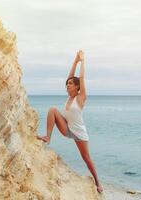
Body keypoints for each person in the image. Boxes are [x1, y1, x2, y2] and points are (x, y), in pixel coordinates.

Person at [36, 50, 103, 193]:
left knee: (86, 159)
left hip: (80, 134)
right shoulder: (69, 97)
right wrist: (75, 60)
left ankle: (98, 182)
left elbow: (81, 77)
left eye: (71, 84)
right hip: (67, 129)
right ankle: (47, 137)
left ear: (77, 87)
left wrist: (83, 61)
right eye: (67, 84)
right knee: (52, 110)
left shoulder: (80, 98)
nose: (68, 85)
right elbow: (71, 76)